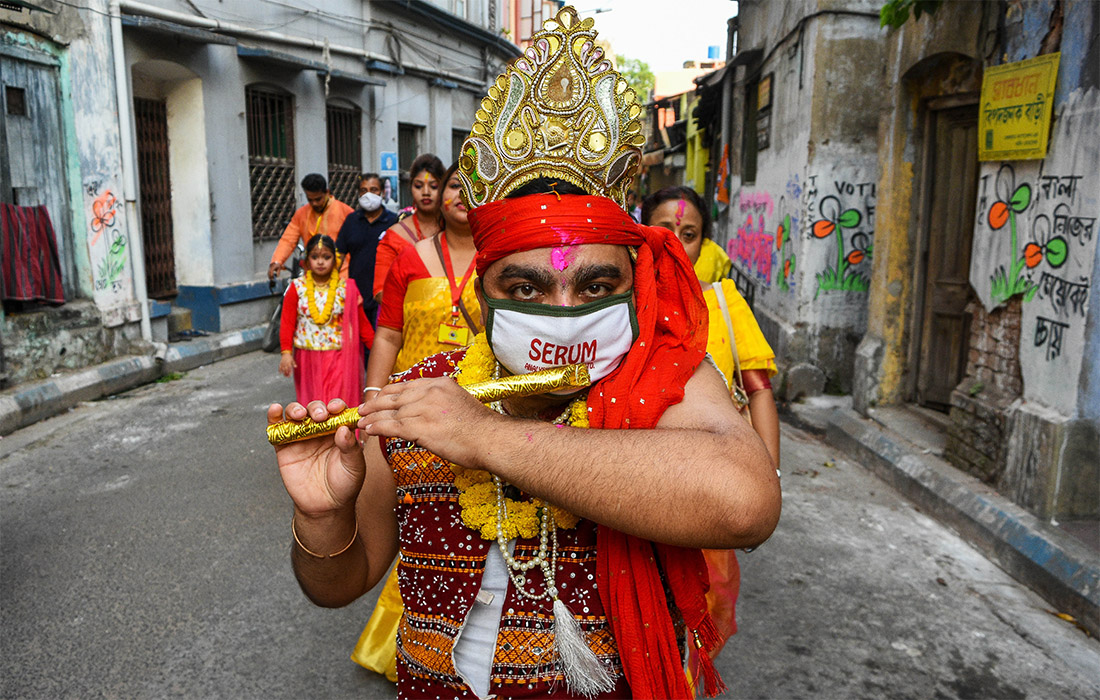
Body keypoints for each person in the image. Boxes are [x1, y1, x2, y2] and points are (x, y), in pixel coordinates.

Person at [268, 7, 780, 697]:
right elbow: (338, 584)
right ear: (480, 295)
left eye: (596, 284)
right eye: (527, 287)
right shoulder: (421, 396)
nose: (564, 314)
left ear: (635, 290)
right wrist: (321, 517)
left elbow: (747, 503)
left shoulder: (660, 383)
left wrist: (482, 438)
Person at [642, 185, 781, 683]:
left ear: (705, 243)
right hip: (636, 487)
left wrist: (768, 477)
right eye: (665, 229)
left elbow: (759, 391)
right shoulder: (622, 301)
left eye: (690, 233)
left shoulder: (723, 302)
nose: (677, 242)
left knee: (706, 601)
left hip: (711, 487)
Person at [351, 161, 481, 680]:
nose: (460, 194)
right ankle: (414, 645)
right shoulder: (409, 257)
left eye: (475, 186)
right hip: (411, 415)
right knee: (416, 528)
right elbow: (387, 336)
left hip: (479, 418)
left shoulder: (506, 260)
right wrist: (372, 405)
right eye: (455, 183)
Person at [278, 234, 373, 406]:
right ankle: (318, 434)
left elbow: (363, 325)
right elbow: (287, 322)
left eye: (326, 257)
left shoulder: (346, 288)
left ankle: (340, 433)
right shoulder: (297, 287)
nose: (320, 262)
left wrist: (378, 349)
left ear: (335, 261)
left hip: (338, 355)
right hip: (306, 357)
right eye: (315, 257)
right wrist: (286, 353)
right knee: (312, 403)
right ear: (307, 261)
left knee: (335, 402)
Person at [371, 154, 445, 300]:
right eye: (418, 186)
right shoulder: (394, 237)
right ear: (410, 187)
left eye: (434, 186)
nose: (425, 192)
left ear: (444, 188)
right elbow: (380, 291)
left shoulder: (458, 229)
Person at [335, 173, 399, 331]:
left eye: (374, 189)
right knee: (359, 344)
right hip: (357, 296)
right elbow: (338, 256)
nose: (368, 194)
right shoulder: (351, 221)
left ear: (383, 193)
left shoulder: (394, 222)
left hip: (385, 297)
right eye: (363, 190)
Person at [268, 173, 354, 281]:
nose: (314, 204)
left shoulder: (346, 212)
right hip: (311, 277)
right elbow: (288, 240)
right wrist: (277, 261)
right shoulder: (302, 214)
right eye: (310, 200)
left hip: (341, 276)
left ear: (327, 192)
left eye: (318, 199)